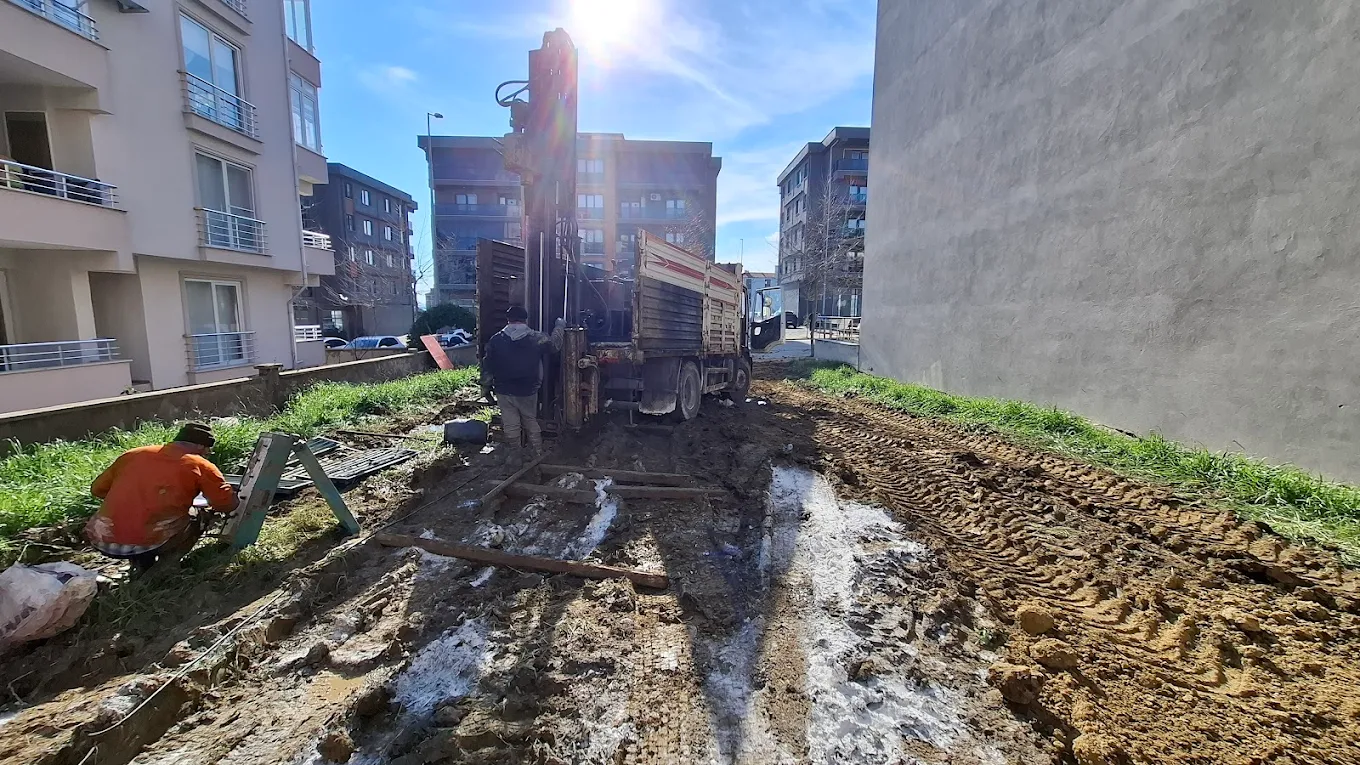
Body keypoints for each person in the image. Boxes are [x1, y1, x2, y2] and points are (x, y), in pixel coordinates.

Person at [84, 422, 239, 573]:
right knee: (199, 516)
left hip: (102, 539)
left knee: (142, 518)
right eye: (207, 451)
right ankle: (166, 568)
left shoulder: (133, 454)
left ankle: (141, 565)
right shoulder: (200, 465)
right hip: (148, 542)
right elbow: (224, 503)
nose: (206, 454)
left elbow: (97, 490)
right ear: (201, 446)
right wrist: (235, 498)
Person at [481, 306, 561, 461]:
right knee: (530, 419)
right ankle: (537, 452)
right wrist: (560, 326)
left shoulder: (496, 340)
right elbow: (555, 345)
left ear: (508, 319)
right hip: (528, 389)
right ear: (526, 319)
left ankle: (515, 455)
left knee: (511, 424)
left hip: (503, 389)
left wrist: (485, 388)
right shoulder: (536, 338)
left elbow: (487, 366)